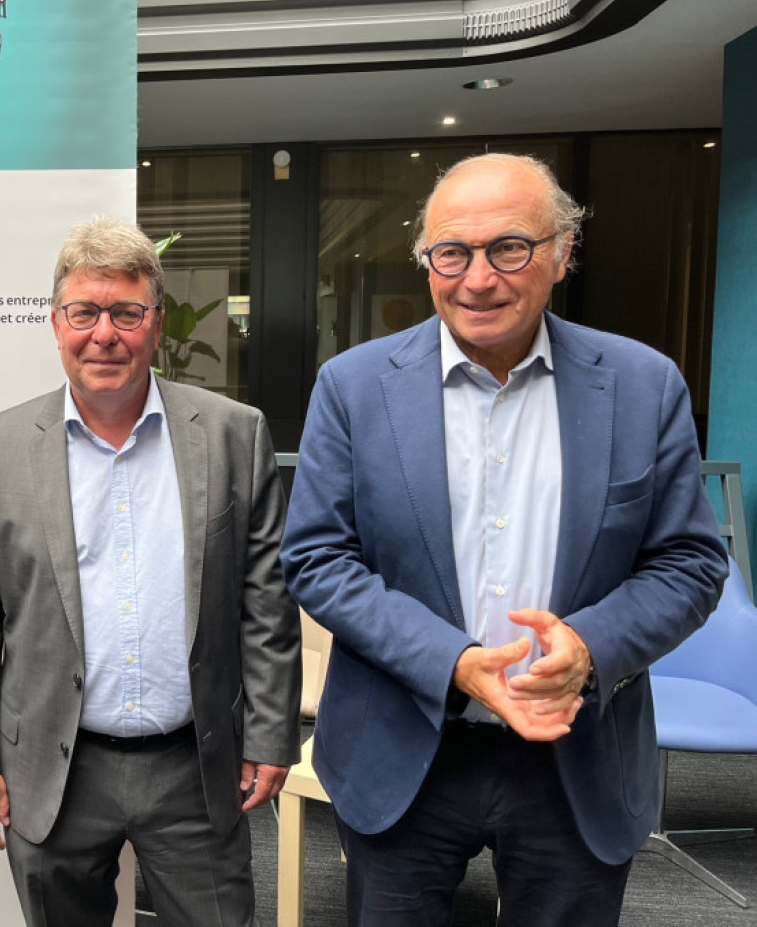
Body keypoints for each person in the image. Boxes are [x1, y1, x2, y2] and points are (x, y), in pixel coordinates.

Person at [282, 153, 727, 925]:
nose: (477, 278)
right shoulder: (352, 387)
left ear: (560, 253)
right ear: (427, 261)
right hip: (402, 749)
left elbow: (689, 563)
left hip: (577, 752)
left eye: (509, 248)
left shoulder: (642, 385)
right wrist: (452, 663)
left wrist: (587, 649)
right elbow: (317, 558)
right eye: (451, 252)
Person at [0, 218, 301, 926]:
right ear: (56, 322)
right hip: (53, 767)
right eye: (85, 312)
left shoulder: (234, 433)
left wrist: (267, 735)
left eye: (127, 313)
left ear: (156, 324)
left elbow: (266, 601)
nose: (104, 333)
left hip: (194, 766)